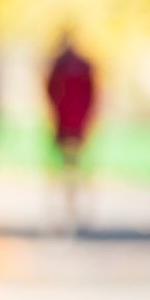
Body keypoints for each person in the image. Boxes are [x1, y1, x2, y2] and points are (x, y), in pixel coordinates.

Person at [44, 32, 99, 234]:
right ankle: (70, 209)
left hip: (68, 121)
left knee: (68, 169)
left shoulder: (60, 65)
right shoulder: (79, 66)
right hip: (74, 121)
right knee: (72, 168)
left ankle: (70, 209)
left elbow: (50, 91)